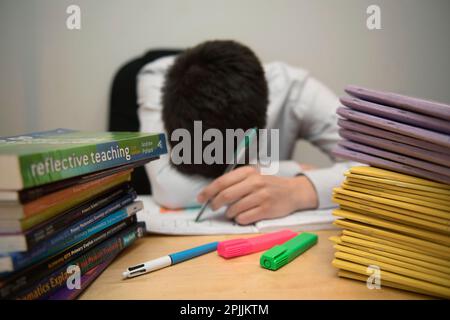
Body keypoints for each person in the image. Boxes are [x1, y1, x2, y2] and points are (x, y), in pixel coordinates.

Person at [137, 40, 351, 225]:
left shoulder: (298, 92)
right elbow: (170, 188)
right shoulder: (158, 80)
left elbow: (378, 168)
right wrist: (287, 171)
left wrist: (299, 191)